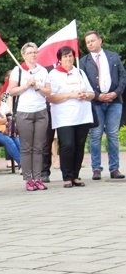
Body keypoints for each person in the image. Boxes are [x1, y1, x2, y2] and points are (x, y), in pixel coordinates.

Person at [80, 31, 126, 180]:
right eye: (88, 42)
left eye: (93, 40)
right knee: (96, 135)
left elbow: (122, 76)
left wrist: (116, 92)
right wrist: (98, 95)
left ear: (100, 40)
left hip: (114, 101)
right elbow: (83, 82)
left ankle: (114, 168)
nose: (90, 44)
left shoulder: (113, 56)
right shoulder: (83, 62)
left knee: (112, 135)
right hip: (95, 103)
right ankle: (96, 168)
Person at [47, 46, 95, 188]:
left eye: (70, 56)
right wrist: (71, 95)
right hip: (64, 117)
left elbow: (92, 93)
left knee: (79, 146)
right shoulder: (53, 75)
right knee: (68, 145)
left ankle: (75, 175)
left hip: (82, 116)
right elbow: (51, 97)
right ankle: (67, 176)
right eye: (65, 56)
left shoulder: (79, 72)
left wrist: (85, 95)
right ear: (60, 59)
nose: (68, 59)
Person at [8, 43, 50, 191]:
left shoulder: (43, 70)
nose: (33, 55)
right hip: (24, 112)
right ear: (24, 55)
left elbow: (48, 91)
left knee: (38, 147)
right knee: (26, 147)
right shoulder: (18, 70)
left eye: (35, 52)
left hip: (41, 111)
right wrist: (26, 86)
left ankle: (38, 177)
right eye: (30, 52)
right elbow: (11, 91)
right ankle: (28, 179)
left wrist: (37, 86)